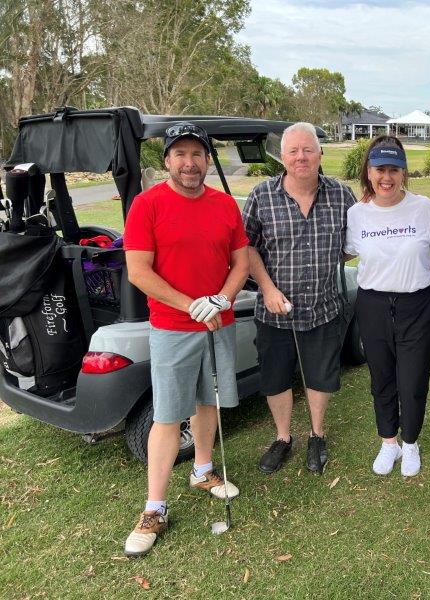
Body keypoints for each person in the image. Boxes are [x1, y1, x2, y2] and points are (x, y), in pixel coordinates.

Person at [123, 122, 250, 557]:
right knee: (167, 414)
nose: (190, 162)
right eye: (180, 154)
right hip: (173, 328)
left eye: (197, 154)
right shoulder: (147, 204)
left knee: (207, 401)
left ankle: (202, 469)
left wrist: (221, 299)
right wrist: (189, 304)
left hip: (219, 321)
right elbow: (139, 271)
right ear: (167, 161)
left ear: (207, 161)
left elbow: (240, 261)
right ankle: (154, 508)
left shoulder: (224, 205)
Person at [243, 122, 357, 475]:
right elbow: (245, 247)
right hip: (274, 312)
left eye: (308, 149)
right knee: (276, 378)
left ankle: (316, 435)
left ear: (320, 153)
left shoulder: (342, 194)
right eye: (293, 151)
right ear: (282, 157)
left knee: (320, 377)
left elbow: (361, 239)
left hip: (323, 308)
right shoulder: (262, 195)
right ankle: (282, 438)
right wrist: (268, 287)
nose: (301, 157)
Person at [344, 136, 430, 477]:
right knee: (381, 378)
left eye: (394, 169)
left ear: (404, 172)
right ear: (369, 171)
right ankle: (388, 442)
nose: (387, 177)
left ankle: (410, 443)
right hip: (373, 304)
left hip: (416, 305)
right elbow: (346, 252)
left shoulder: (423, 209)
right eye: (380, 169)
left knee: (412, 380)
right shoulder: (357, 214)